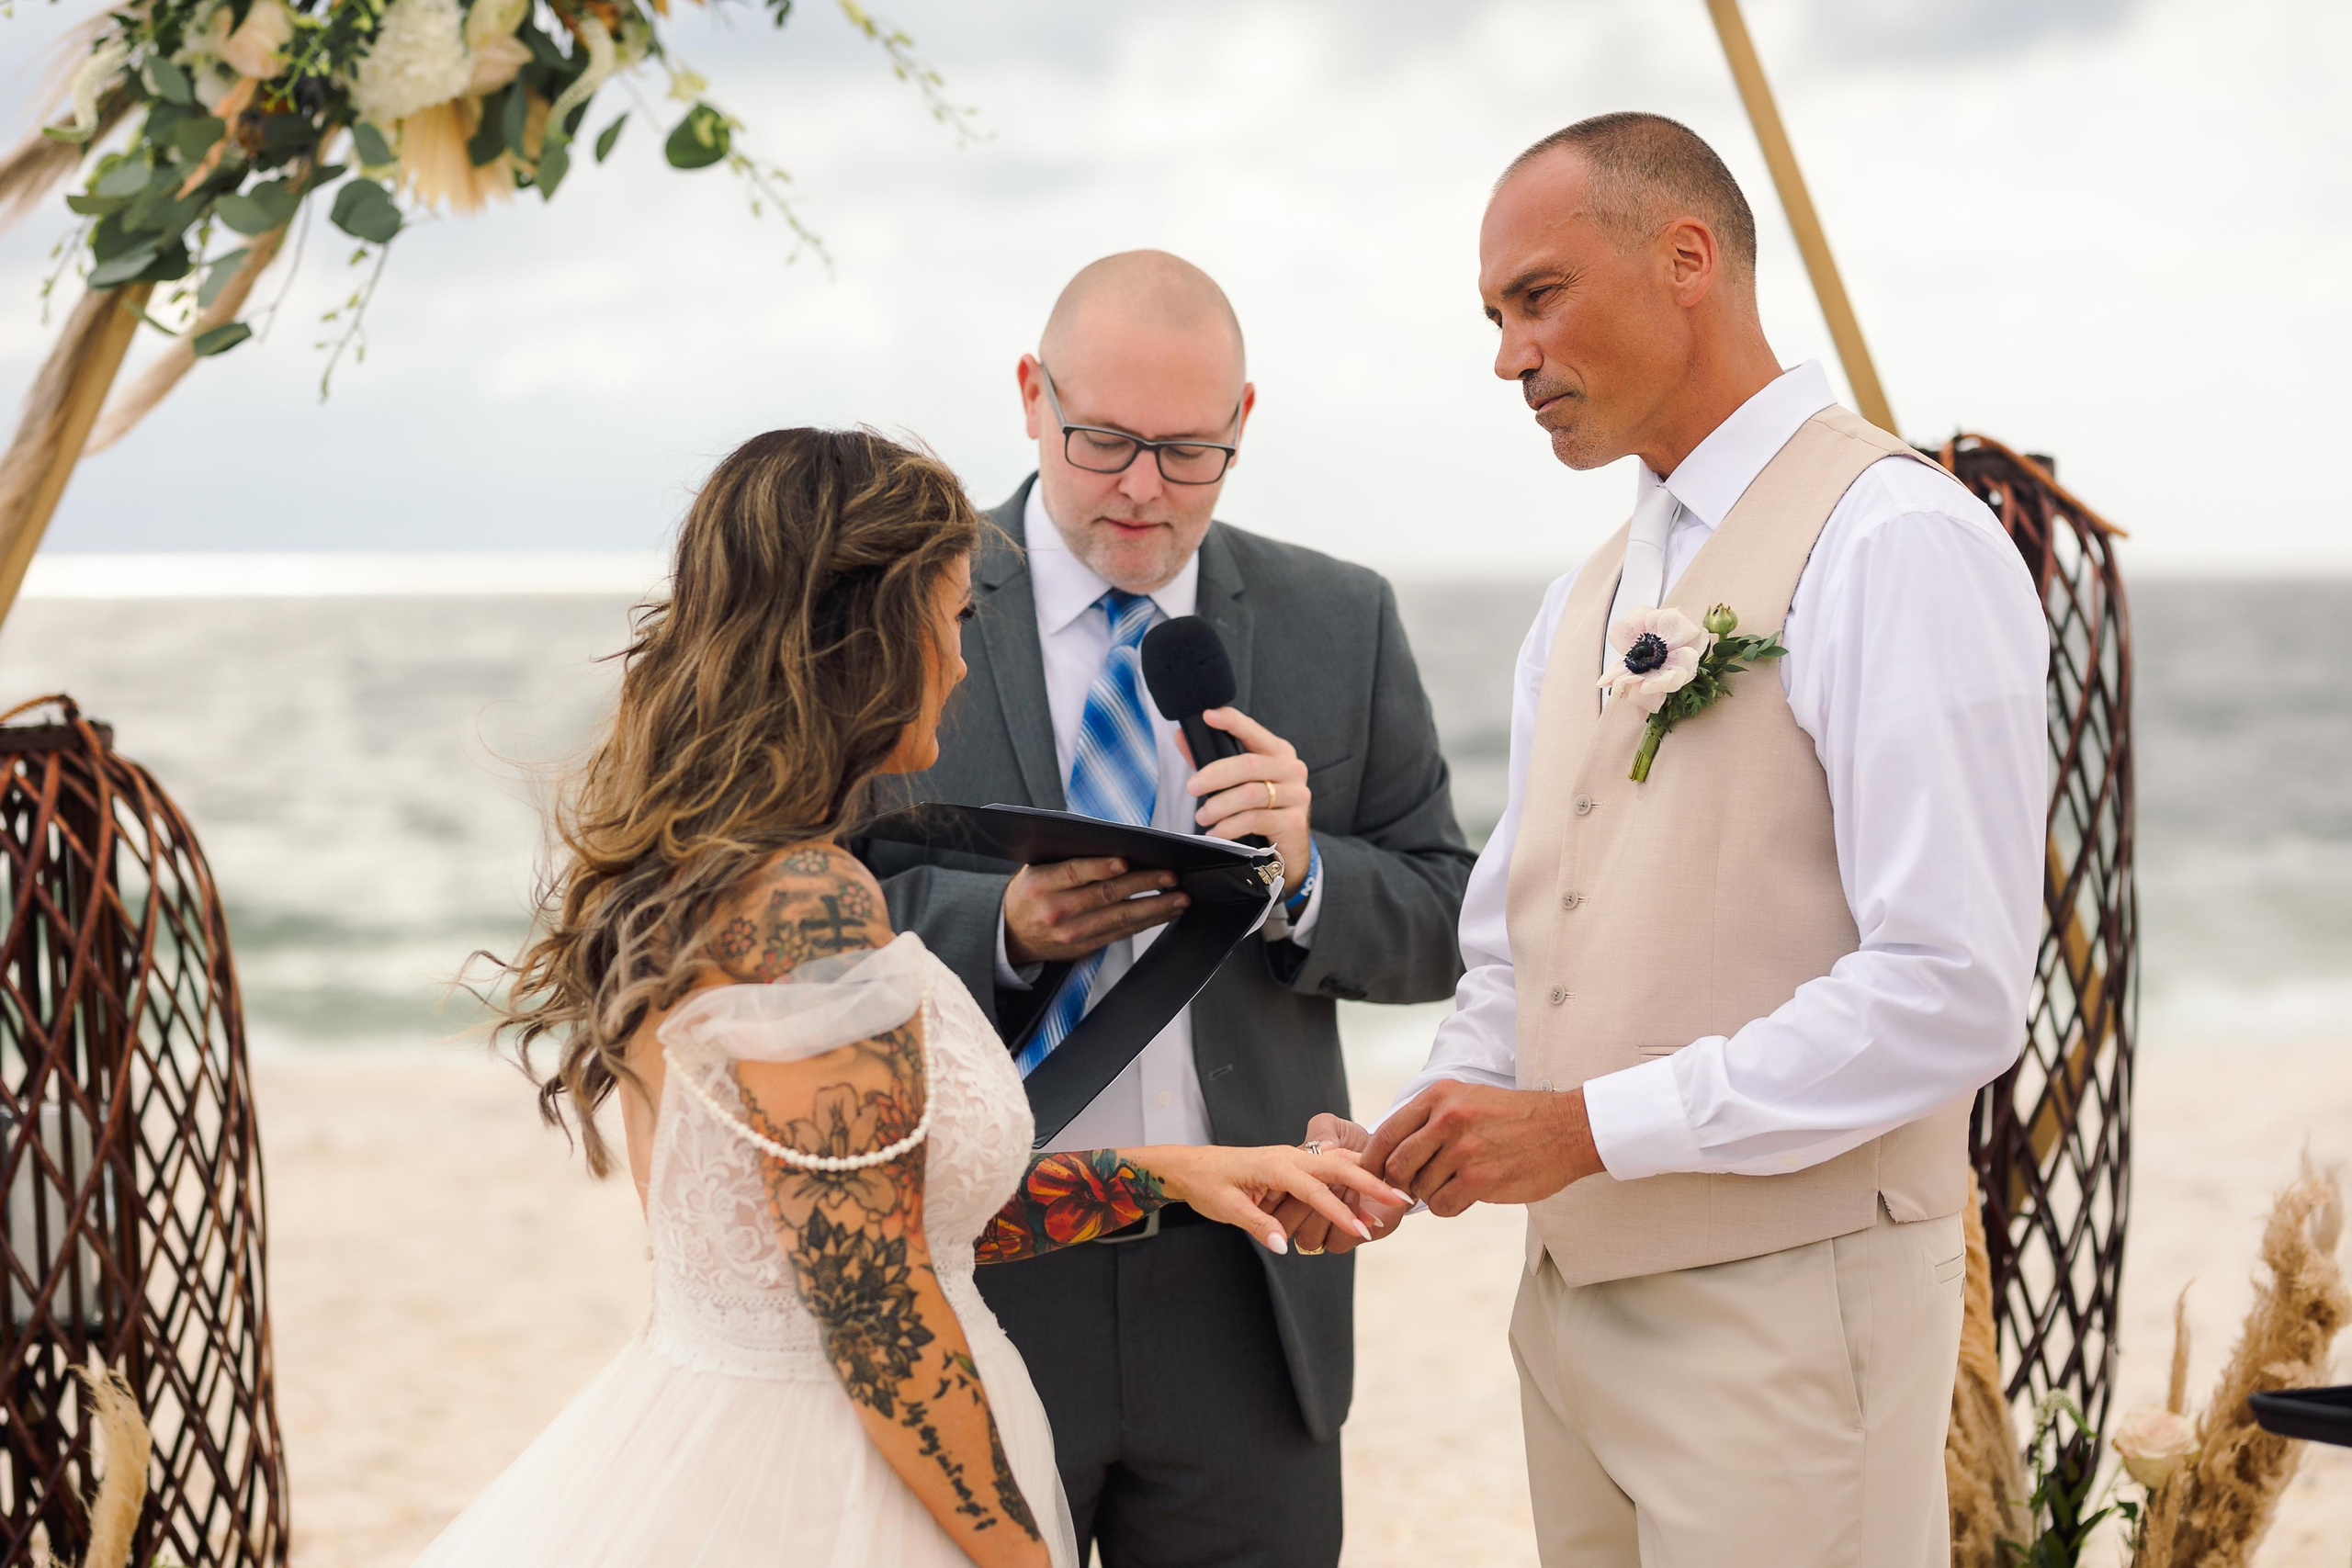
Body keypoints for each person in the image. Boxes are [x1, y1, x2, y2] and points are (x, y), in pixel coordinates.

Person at [416, 427, 1408, 1568]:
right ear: (869, 639)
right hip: (835, 1486)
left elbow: (876, 1214)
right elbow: (875, 1300)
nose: (960, 662)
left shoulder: (707, 866)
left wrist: (1176, 1173)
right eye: (950, 619)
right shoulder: (805, 901)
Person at [1311, 115, 2049, 1565]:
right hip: (1572, 1315)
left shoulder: (1893, 539)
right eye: (1497, 317)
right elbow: (1532, 938)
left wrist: (1584, 1127)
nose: (1510, 357)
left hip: (1791, 1314)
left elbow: (1954, 985)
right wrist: (1433, 1123)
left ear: (1687, 259)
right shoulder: (1584, 590)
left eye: (1538, 298)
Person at [855, 251, 1472, 1566]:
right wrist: (1005, 928)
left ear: (1245, 419)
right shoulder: (896, 596)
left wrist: (1307, 875)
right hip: (979, 1252)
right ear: (1031, 396)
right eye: (1105, 441)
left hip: (1248, 1278)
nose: (1143, 486)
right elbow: (812, 904)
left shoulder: (1339, 617)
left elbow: (1445, 910)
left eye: (1189, 451)